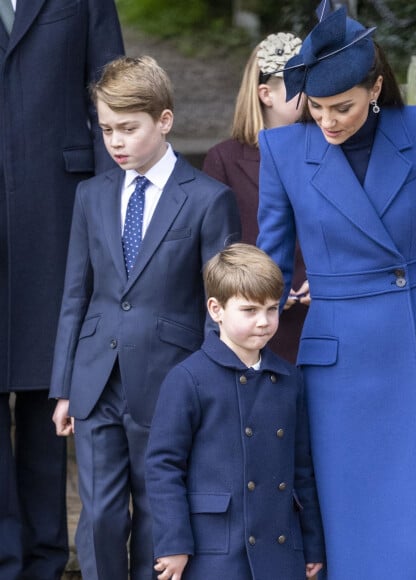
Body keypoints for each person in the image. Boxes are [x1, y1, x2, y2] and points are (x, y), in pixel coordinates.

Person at [257, 2, 416, 578]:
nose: (328, 122)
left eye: (342, 107)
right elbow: (266, 266)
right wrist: (244, 347)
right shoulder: (283, 151)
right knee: (352, 532)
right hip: (335, 366)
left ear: (376, 87)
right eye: (315, 108)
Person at [49, 55, 241, 579]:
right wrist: (63, 386)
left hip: (170, 380)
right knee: (100, 516)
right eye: (107, 129)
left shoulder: (208, 200)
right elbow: (76, 294)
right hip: (95, 381)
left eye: (128, 129)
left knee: (160, 511)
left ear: (164, 120)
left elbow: (218, 306)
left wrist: (212, 387)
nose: (115, 141)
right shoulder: (91, 195)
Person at [0, 1, 124, 578]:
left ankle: (46, 560)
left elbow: (112, 87)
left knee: (51, 388)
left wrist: (111, 208)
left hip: (57, 207)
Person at [145, 243, 325, 580]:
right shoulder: (188, 379)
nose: (264, 322)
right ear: (216, 309)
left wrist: (312, 545)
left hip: (280, 548)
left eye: (272, 309)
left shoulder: (290, 379)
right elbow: (163, 466)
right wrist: (173, 544)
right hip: (214, 550)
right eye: (250, 310)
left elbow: (302, 470)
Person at [203, 32, 308, 363]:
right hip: (255, 328)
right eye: (300, 86)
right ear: (266, 94)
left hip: (318, 319)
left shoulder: (326, 149)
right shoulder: (224, 159)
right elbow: (217, 249)